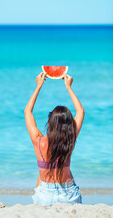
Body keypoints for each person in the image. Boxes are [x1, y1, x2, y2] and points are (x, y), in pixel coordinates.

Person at [24, 72, 85, 206]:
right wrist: (69, 87)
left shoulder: (39, 141)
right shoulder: (70, 138)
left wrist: (38, 86)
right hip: (69, 195)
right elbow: (80, 111)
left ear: (50, 123)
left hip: (45, 196)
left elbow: (27, 112)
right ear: (69, 125)